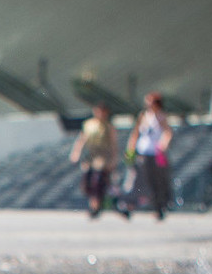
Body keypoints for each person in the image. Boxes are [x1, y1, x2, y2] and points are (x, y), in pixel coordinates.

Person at [125, 91, 173, 220]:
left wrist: (163, 145)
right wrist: (130, 150)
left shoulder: (161, 117)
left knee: (157, 180)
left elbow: (167, 132)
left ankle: (159, 207)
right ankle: (129, 206)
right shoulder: (143, 116)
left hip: (156, 154)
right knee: (138, 179)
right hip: (143, 153)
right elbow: (135, 134)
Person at [68, 103, 119, 218]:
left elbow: (113, 144)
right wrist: (76, 153)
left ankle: (95, 206)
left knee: (98, 181)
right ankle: (97, 203)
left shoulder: (108, 126)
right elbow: (82, 139)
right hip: (90, 156)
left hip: (103, 157)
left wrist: (113, 160)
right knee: (86, 183)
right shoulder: (89, 125)